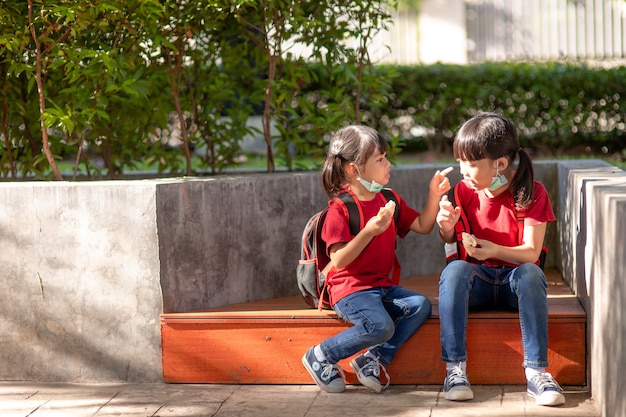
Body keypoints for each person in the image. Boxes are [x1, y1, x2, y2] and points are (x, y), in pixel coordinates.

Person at [301, 124, 452, 394]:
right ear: (353, 169)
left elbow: (422, 224)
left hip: (380, 286)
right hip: (350, 289)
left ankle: (373, 358)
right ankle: (321, 355)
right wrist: (370, 230)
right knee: (379, 326)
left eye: (385, 157)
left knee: (419, 305)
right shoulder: (341, 208)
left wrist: (434, 194)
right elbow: (340, 260)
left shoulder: (388, 198)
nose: (387, 163)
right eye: (380, 159)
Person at [435, 112, 565, 406]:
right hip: (478, 283)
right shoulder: (464, 192)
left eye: (470, 165)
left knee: (531, 273)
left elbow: (531, 253)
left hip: (514, 285)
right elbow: (450, 240)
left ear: (500, 164)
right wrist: (445, 226)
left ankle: (537, 372)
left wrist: (493, 249)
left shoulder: (532, 193)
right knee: (455, 270)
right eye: (460, 163)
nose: (462, 172)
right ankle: (455, 369)